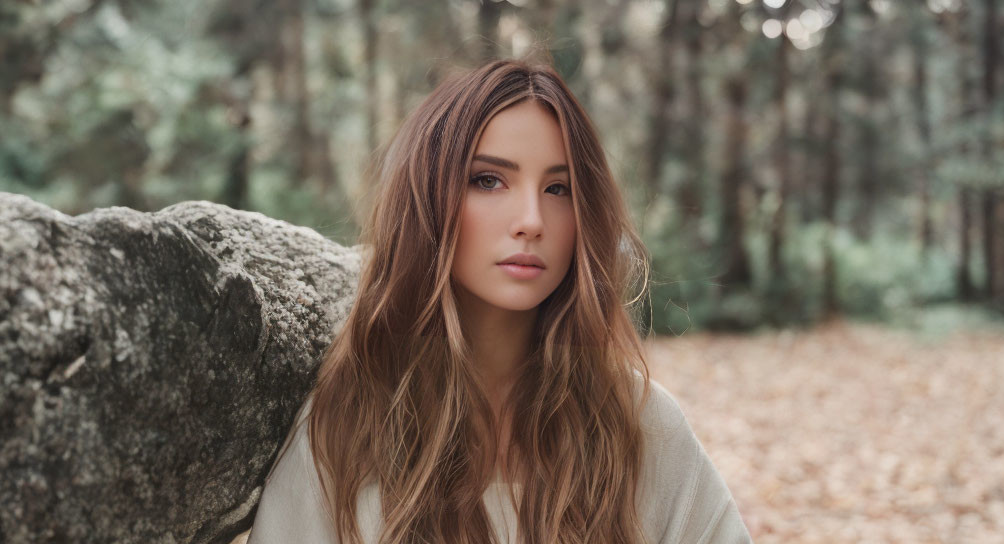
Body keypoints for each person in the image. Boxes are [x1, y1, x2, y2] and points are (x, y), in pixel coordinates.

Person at [247, 55, 752, 544]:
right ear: (427, 199)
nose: (531, 219)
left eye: (559, 189)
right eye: (488, 180)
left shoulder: (637, 424)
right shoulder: (344, 427)